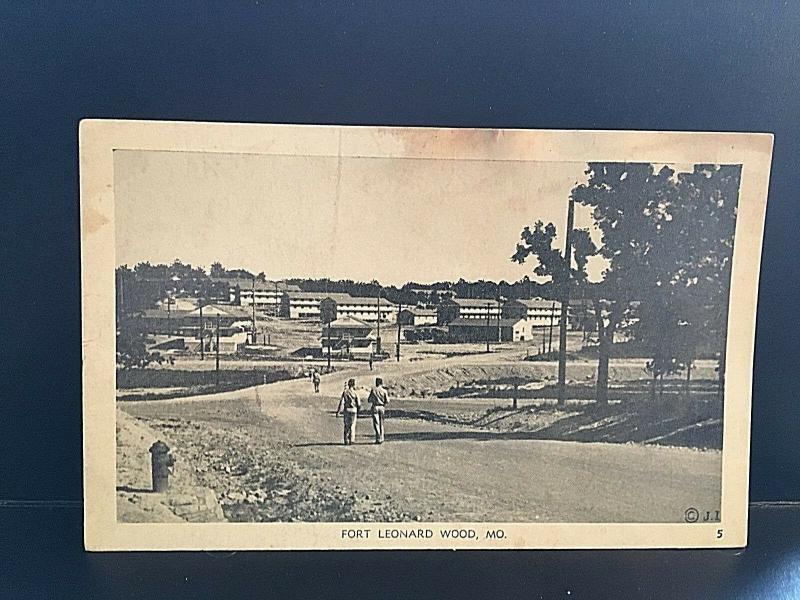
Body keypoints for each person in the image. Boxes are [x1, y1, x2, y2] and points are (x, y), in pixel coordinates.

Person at [335, 378, 361, 445]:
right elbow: (358, 403)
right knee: (352, 425)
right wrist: (358, 409)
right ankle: (352, 439)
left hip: (347, 410)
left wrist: (338, 411)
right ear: (354, 385)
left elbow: (341, 402)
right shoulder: (355, 393)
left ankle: (346, 439)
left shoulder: (345, 392)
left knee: (346, 425)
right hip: (353, 410)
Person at [367, 377, 389, 444]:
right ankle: (382, 437)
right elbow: (387, 401)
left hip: (375, 406)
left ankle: (378, 437)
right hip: (382, 407)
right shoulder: (384, 391)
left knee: (376, 423)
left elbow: (369, 400)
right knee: (381, 423)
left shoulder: (373, 390)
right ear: (381, 383)